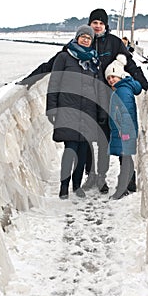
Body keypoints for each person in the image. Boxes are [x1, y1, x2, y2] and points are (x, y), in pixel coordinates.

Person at [17, 8, 148, 193]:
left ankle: (127, 178)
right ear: (89, 24)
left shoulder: (115, 43)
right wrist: (29, 80)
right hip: (89, 102)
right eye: (95, 22)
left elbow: (131, 65)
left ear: (105, 25)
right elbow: (52, 64)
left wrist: (145, 83)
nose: (98, 26)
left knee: (118, 137)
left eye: (101, 23)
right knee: (91, 141)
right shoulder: (80, 44)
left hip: (112, 98)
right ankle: (96, 177)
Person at [46, 24, 108, 200]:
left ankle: (77, 185)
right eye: (83, 37)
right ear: (77, 37)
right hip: (68, 110)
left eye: (89, 38)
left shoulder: (94, 62)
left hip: (88, 112)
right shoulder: (64, 57)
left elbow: (100, 88)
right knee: (70, 149)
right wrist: (51, 107)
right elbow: (54, 82)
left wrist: (102, 111)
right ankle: (64, 186)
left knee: (82, 151)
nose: (86, 40)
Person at [104, 54, 142, 199]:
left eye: (114, 76)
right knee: (124, 158)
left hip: (123, 132)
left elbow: (126, 113)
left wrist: (124, 132)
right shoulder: (123, 89)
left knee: (125, 159)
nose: (111, 80)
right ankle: (130, 184)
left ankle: (124, 187)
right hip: (122, 131)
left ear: (121, 75)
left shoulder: (122, 91)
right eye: (108, 78)